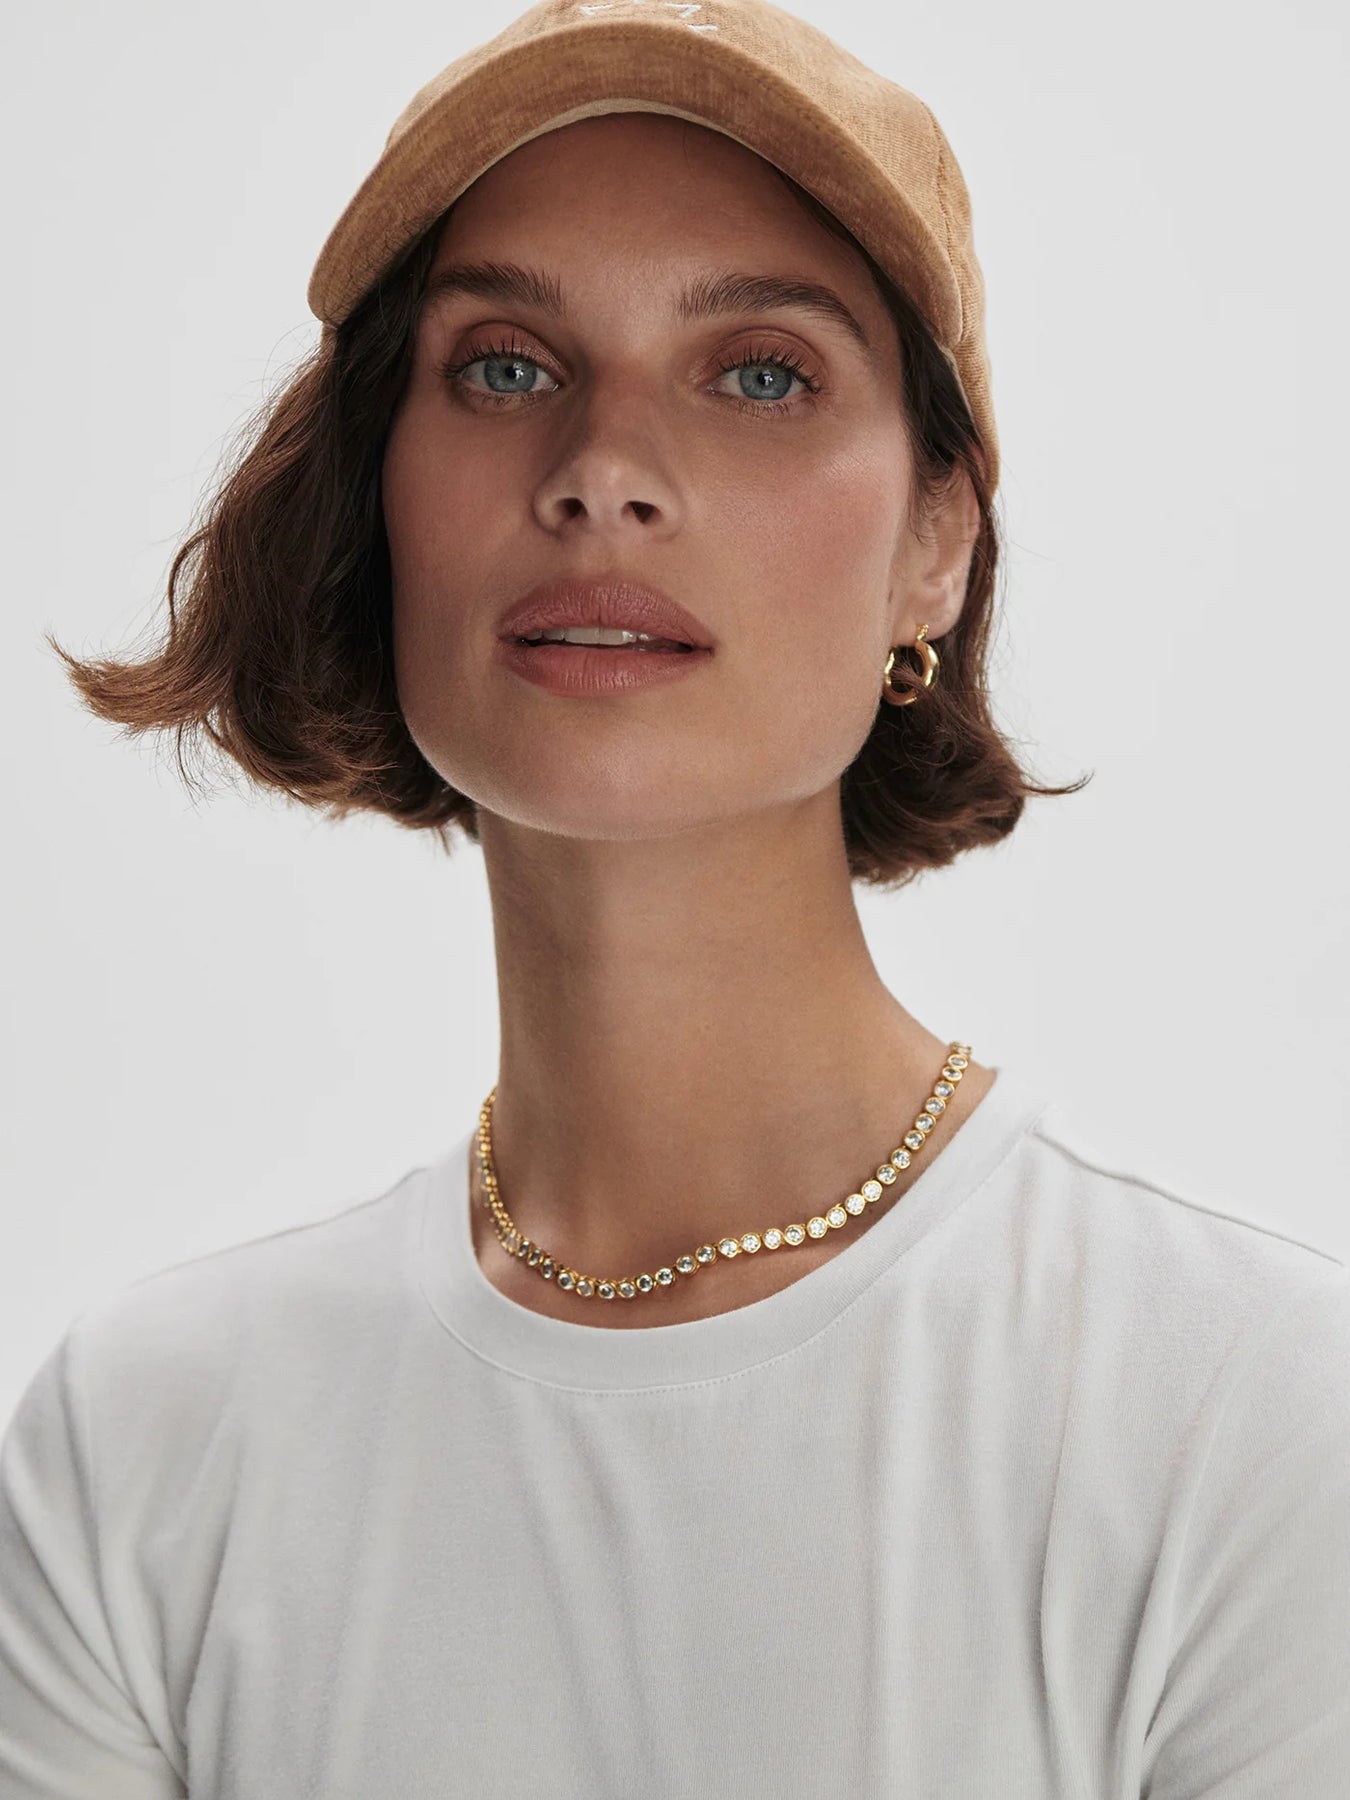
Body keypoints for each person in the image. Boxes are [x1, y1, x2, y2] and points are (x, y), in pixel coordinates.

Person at [3, 0, 1347, 1793]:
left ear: (934, 542)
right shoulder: (141, 1447)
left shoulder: (1243, 1415)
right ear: (375, 495)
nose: (601, 473)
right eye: (502, 366)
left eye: (760, 374)